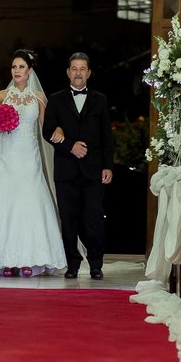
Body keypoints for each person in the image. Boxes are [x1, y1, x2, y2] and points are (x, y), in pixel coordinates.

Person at [0, 50, 66, 277]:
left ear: (29, 70)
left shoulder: (38, 97)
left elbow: (45, 127)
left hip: (29, 158)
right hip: (5, 157)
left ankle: (30, 258)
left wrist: (58, 130)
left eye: (21, 67)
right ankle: (1, 260)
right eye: (13, 67)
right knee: (2, 202)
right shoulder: (2, 95)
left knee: (28, 204)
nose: (16, 71)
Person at [43, 53, 114, 280]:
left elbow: (107, 137)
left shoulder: (100, 99)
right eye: (74, 68)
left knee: (94, 219)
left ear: (89, 72)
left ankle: (96, 265)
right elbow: (47, 132)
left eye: (82, 68)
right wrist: (69, 146)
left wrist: (108, 166)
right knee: (69, 220)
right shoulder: (55, 99)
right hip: (66, 170)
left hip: (94, 170)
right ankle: (72, 264)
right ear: (68, 72)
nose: (78, 73)